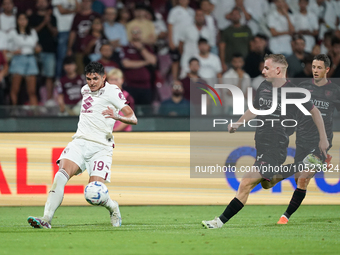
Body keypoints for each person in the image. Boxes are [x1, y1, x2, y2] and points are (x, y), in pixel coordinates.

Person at [201, 54, 329, 229]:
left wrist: (323, 139)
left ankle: (219, 222)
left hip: (276, 146)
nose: (262, 71)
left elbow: (315, 113)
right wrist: (238, 123)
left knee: (246, 183)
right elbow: (254, 109)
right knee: (267, 183)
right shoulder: (264, 86)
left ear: (278, 70)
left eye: (266, 68)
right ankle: (301, 164)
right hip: (261, 143)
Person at [27, 61, 138, 229]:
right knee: (60, 176)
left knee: (94, 193)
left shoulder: (113, 91)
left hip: (101, 147)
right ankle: (46, 218)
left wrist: (117, 116)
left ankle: (113, 206)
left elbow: (133, 119)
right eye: (88, 78)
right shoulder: (84, 90)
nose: (91, 82)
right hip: (80, 142)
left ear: (104, 77)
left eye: (95, 78)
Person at [277, 54, 340, 224]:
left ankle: (285, 216)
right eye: (313, 67)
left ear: (327, 70)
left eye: (319, 68)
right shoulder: (303, 88)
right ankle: (323, 161)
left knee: (303, 178)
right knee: (299, 178)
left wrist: (324, 141)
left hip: (321, 141)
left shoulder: (335, 91)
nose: (315, 71)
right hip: (302, 139)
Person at [30, 0, 58, 105]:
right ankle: (35, 101)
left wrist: (48, 22)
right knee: (34, 77)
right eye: (39, 2)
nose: (41, 4)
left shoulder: (53, 17)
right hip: (34, 51)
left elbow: (55, 32)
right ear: (36, 4)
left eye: (44, 2)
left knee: (49, 76)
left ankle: (49, 101)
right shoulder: (32, 17)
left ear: (47, 4)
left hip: (50, 50)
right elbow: (31, 32)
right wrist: (44, 22)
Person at [8, 13, 40, 106]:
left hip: (31, 58)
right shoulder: (12, 32)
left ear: (27, 21)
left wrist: (38, 49)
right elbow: (7, 49)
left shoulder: (32, 31)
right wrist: (14, 52)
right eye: (20, 19)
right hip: (18, 59)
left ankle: (35, 115)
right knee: (15, 89)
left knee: (32, 91)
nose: (22, 21)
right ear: (17, 21)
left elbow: (36, 45)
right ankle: (13, 113)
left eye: (24, 19)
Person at [120, 26, 157, 105]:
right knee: (131, 111)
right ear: (131, 34)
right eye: (134, 32)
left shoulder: (147, 47)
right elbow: (126, 64)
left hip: (146, 87)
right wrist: (145, 62)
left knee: (146, 112)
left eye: (138, 32)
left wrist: (141, 48)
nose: (136, 34)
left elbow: (153, 61)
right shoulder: (126, 48)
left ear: (141, 34)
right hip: (130, 86)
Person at [67, 0, 100, 74]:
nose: (86, 3)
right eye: (84, 1)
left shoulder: (96, 15)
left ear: (91, 3)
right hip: (79, 48)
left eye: (88, 1)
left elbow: (101, 30)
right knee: (80, 71)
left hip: (95, 50)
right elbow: (73, 32)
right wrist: (69, 47)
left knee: (96, 72)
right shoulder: (77, 16)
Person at [179, 9, 213, 78]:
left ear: (204, 17)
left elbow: (210, 47)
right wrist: (184, 54)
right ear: (194, 17)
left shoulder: (207, 31)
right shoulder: (187, 29)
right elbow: (180, 44)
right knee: (184, 79)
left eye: (201, 15)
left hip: (201, 62)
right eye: (197, 15)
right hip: (187, 58)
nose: (199, 17)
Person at [167, 0, 195, 80]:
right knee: (176, 61)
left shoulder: (192, 11)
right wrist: (171, 41)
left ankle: (186, 80)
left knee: (187, 61)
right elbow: (170, 26)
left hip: (188, 42)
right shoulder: (174, 11)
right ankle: (175, 80)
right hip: (176, 41)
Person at [219, 7, 252, 73]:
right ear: (230, 16)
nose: (235, 16)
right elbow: (222, 47)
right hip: (230, 62)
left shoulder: (247, 29)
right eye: (233, 14)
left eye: (237, 14)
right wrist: (222, 63)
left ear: (240, 16)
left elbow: (251, 45)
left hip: (245, 62)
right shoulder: (226, 31)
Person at [52, 0, 79, 78]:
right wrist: (75, 10)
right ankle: (59, 79)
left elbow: (79, 9)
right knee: (62, 57)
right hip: (62, 29)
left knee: (75, 57)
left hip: (75, 29)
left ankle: (74, 80)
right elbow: (62, 11)